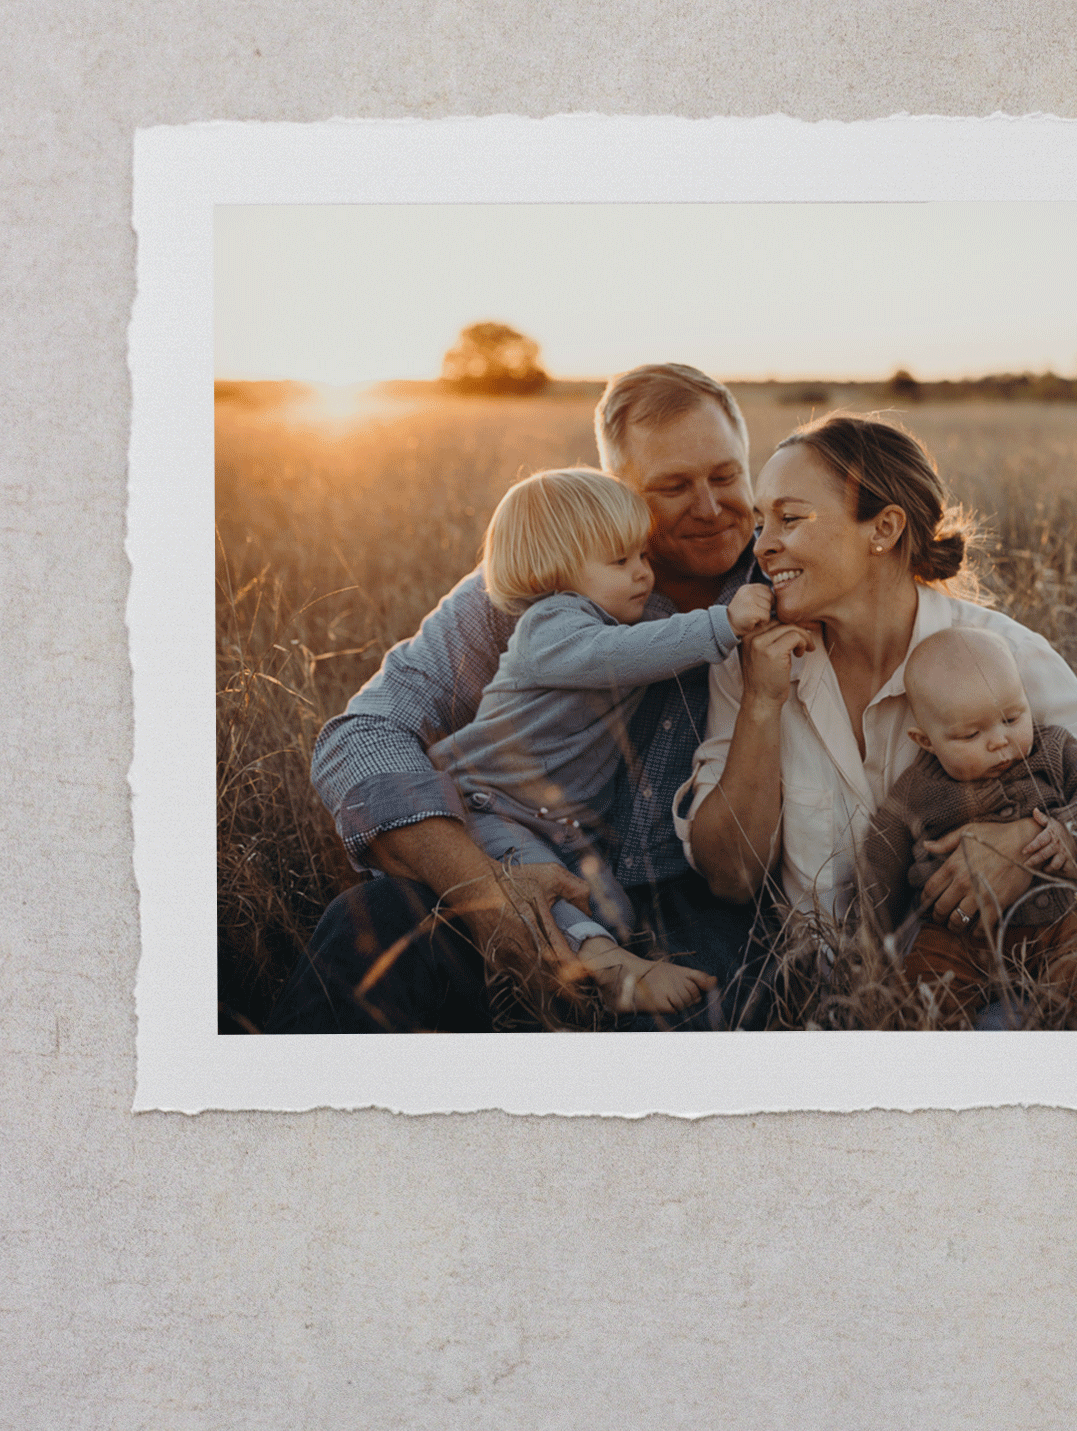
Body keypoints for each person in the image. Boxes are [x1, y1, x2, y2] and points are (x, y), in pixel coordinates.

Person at [679, 412, 1077, 1028]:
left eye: (790, 519)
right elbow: (731, 878)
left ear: (883, 529)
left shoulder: (1001, 656)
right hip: (871, 995)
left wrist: (1027, 849)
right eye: (761, 522)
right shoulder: (752, 666)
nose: (761, 546)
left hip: (1034, 953)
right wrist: (763, 703)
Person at [265, 362, 765, 1032]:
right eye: (673, 487)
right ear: (616, 491)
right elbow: (362, 736)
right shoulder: (538, 584)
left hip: (701, 899)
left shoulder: (791, 576)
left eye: (727, 476)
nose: (709, 507)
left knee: (710, 1015)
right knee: (374, 925)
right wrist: (483, 889)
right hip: (512, 854)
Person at [429, 465, 774, 1016]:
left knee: (614, 911)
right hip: (490, 803)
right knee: (541, 891)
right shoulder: (551, 626)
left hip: (560, 821)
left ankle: (573, 985)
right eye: (620, 562)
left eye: (643, 556)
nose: (643, 573)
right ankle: (609, 968)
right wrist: (722, 624)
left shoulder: (603, 621)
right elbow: (623, 656)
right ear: (550, 571)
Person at [854, 623, 1077, 943]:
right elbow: (880, 866)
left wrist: (1068, 828)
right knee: (929, 971)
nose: (999, 741)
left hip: (1063, 917)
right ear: (926, 742)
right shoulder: (916, 790)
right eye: (971, 735)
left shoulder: (1051, 749)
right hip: (954, 935)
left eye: (1011, 719)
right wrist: (864, 943)